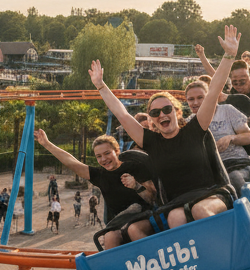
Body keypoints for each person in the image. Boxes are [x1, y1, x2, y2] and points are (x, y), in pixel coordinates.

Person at [91, 30, 240, 241]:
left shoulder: (195, 130)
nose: (162, 115)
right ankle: (193, 265)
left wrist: (229, 56)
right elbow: (121, 114)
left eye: (167, 109)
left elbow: (214, 91)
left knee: (199, 211)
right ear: (151, 120)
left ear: (177, 112)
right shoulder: (151, 142)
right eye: (154, 113)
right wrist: (100, 86)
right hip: (178, 202)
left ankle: (223, 248)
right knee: (175, 218)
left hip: (210, 194)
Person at [33, 130, 154, 250]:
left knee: (133, 229)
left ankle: (155, 261)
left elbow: (152, 197)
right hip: (120, 221)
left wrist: (136, 186)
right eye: (99, 156)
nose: (104, 159)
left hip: (143, 216)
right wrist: (46, 144)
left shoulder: (134, 167)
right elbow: (71, 162)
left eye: (107, 153)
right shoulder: (99, 175)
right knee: (109, 237)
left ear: (117, 151)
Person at [182, 77, 250, 195]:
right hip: (214, 172)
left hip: (238, 165)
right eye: (191, 99)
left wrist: (231, 138)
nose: (195, 103)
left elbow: (248, 137)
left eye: (200, 98)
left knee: (233, 178)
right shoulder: (189, 123)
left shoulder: (226, 110)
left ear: (209, 98)